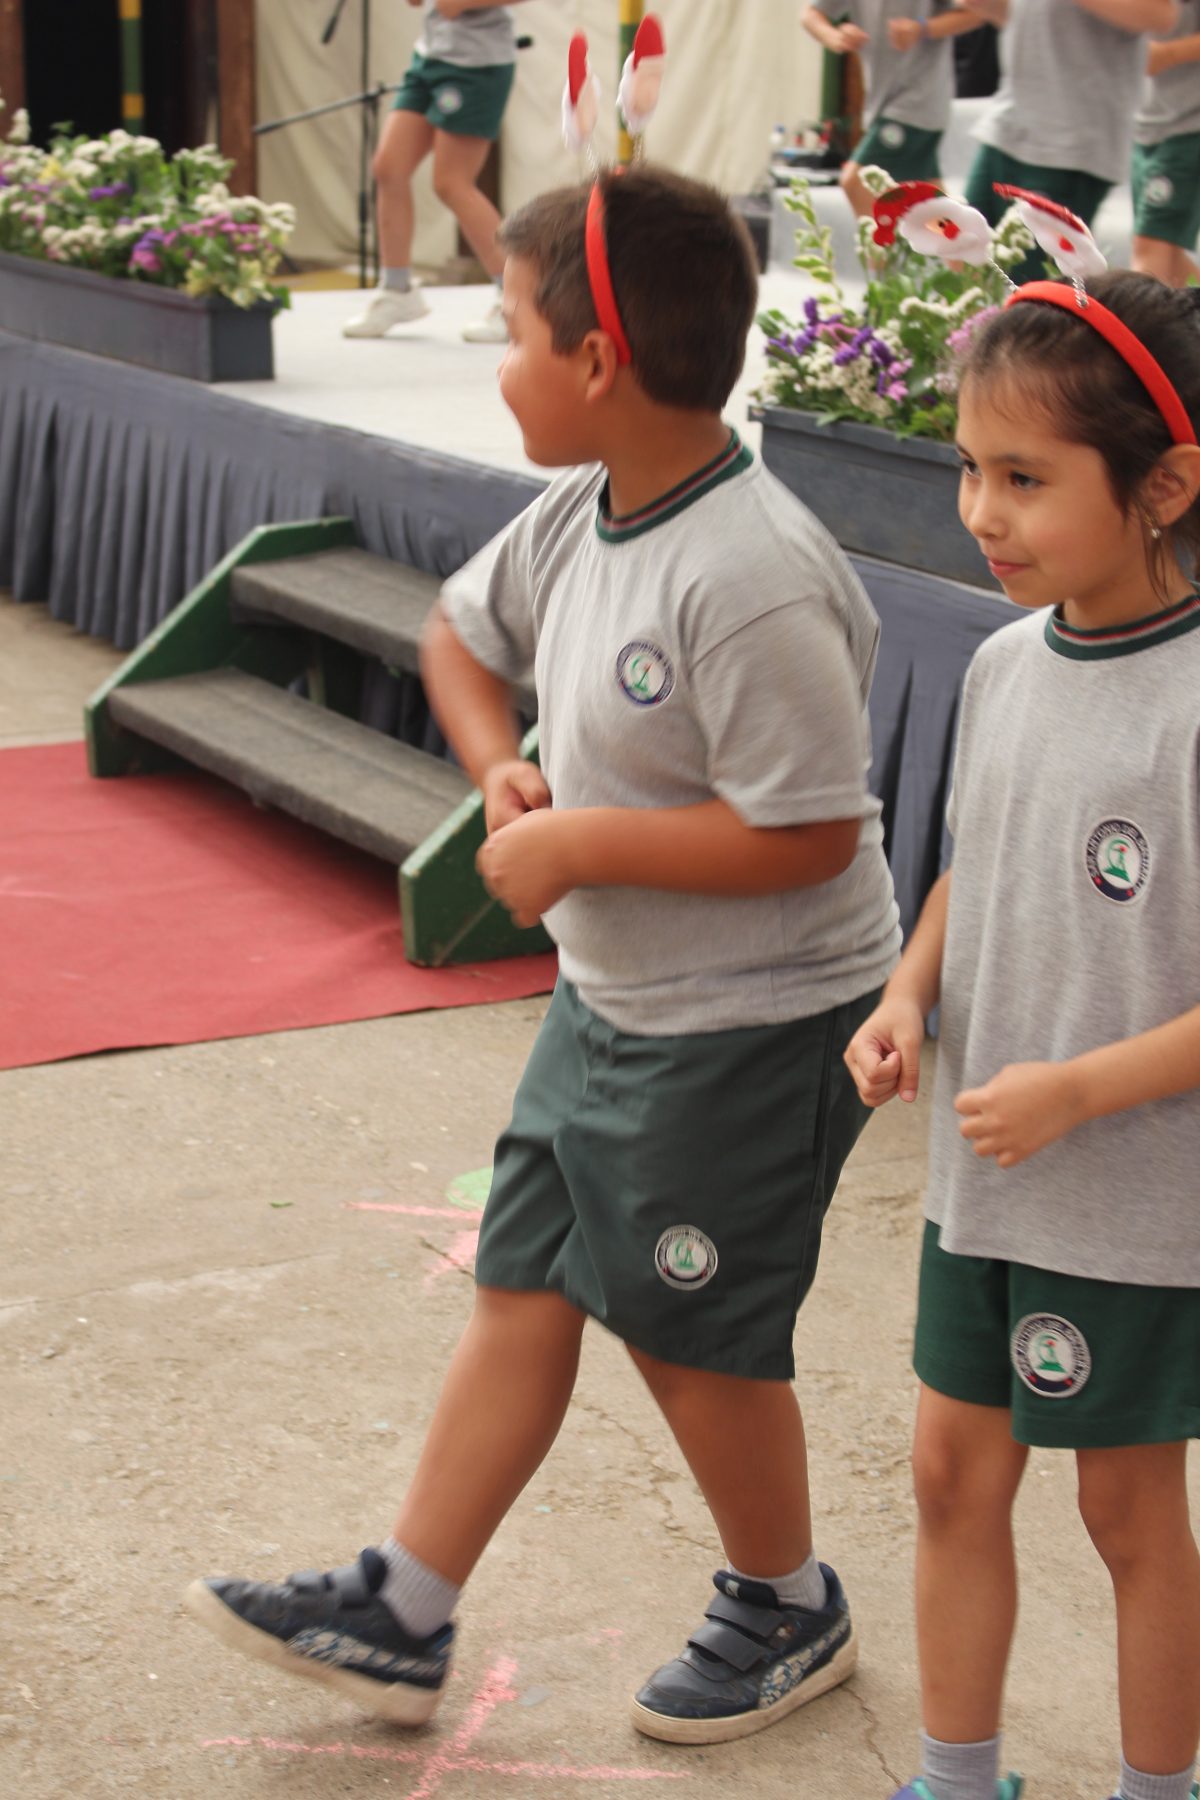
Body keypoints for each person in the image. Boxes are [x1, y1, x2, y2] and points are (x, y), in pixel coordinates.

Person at [184, 164, 903, 1746]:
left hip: (754, 1020)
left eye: (511, 329)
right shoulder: (589, 508)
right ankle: (405, 1608)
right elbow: (458, 633)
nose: (499, 361)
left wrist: (583, 847)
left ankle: (789, 1603)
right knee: (523, 1284)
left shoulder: (751, 572)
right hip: (615, 997)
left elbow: (808, 836)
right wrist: (499, 764)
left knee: (690, 1329)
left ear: (595, 360)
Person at [844, 269, 1200, 1800]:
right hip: (980, 1184)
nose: (983, 513)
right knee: (948, 1476)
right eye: (970, 470)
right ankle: (955, 1775)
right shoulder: (1000, 663)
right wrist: (904, 993)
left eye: (1028, 479)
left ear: (1164, 487)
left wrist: (1079, 1091)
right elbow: (968, 875)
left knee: (1127, 1513)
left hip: (1127, 1205)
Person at [343, 0, 531, 344]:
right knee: (389, 168)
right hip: (429, 58)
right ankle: (397, 291)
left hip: (477, 67)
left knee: (452, 184)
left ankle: (518, 302)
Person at [960, 0, 1180, 284]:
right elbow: (1019, 15)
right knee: (964, 258)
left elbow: (1161, 15)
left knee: (1036, 288)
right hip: (1009, 125)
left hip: (1068, 143)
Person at [800, 1, 985, 218]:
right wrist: (835, 36)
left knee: (857, 183)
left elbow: (975, 13)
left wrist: (922, 28)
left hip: (918, 101)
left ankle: (876, 240)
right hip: (883, 103)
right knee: (933, 207)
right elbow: (811, 15)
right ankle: (966, 239)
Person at [1132, 1, 1200, 286]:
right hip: (1147, 124)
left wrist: (1165, 55)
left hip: (1189, 126)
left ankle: (1137, 316)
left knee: (1150, 249)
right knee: (1169, 258)